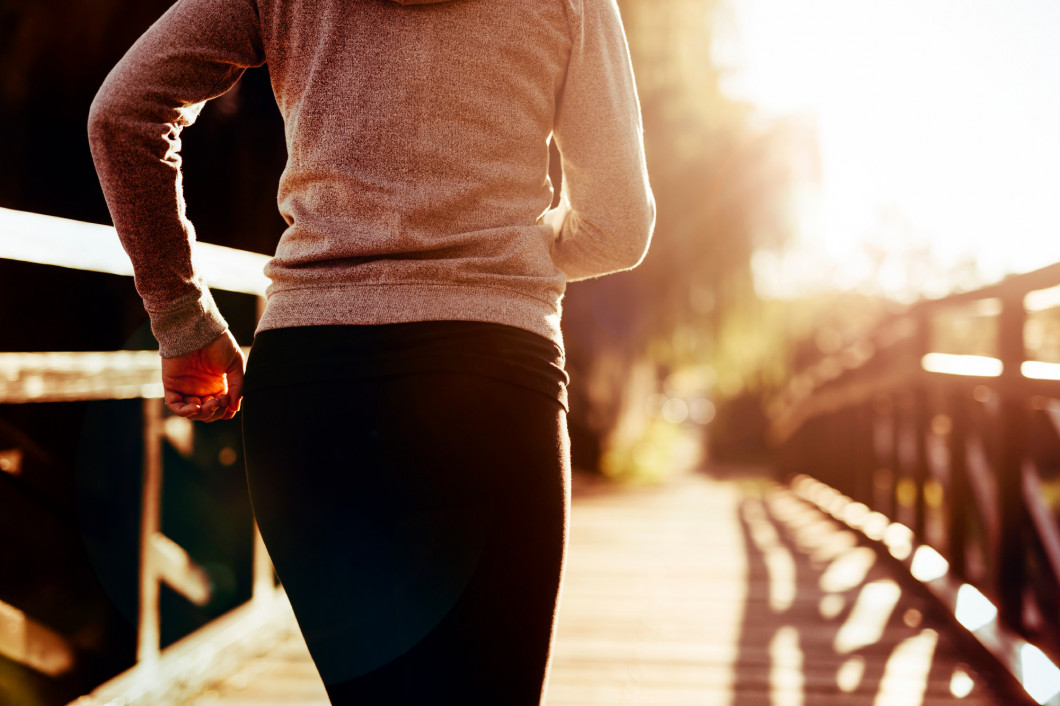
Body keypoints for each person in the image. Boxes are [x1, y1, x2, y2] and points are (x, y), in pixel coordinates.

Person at [88, 0, 654, 703]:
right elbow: (619, 225)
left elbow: (123, 115)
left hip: (312, 393)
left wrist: (182, 316)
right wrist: (508, 254)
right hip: (493, 385)